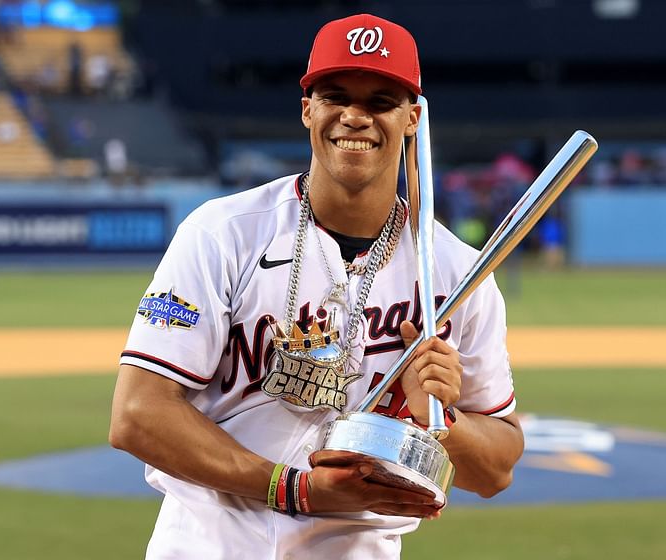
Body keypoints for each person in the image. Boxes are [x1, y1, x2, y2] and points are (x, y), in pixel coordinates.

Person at [109, 13, 523, 560]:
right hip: (209, 542)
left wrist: (442, 421)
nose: (356, 116)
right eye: (335, 96)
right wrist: (295, 489)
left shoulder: (455, 274)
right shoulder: (224, 233)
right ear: (308, 109)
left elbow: (496, 468)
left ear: (412, 118)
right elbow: (137, 414)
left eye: (380, 101)